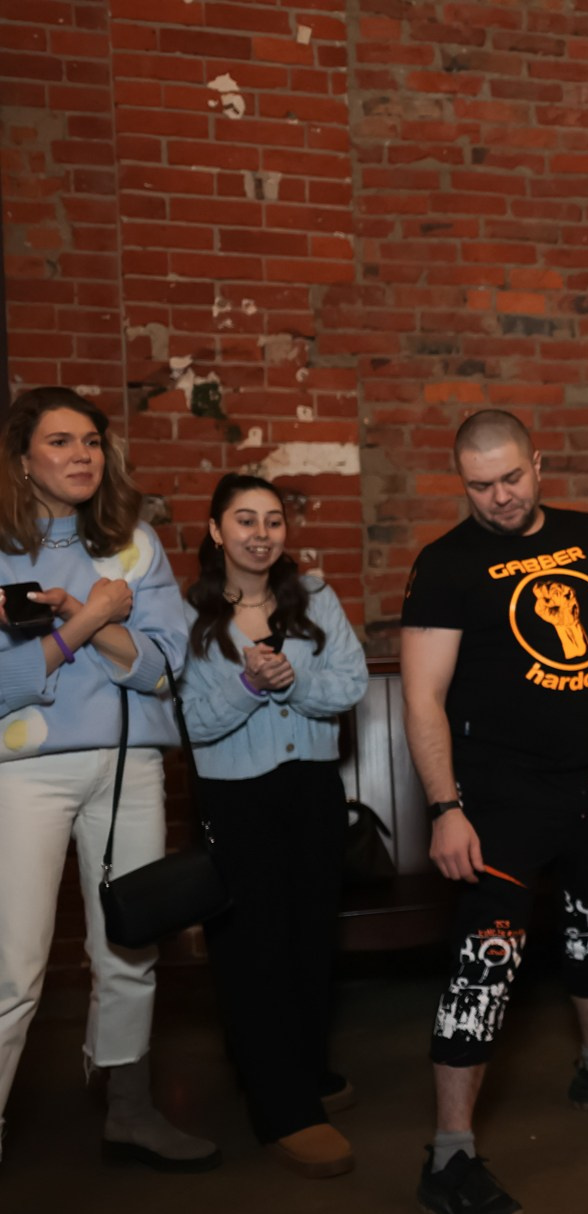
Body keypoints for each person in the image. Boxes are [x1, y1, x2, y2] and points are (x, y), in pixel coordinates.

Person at [399, 409, 588, 1214]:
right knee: (484, 962)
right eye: (479, 485)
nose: (498, 497)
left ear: (539, 460)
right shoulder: (446, 565)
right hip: (497, 798)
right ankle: (449, 1153)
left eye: (511, 478)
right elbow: (422, 696)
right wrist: (447, 807)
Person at [0, 388, 217, 1214]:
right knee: (12, 973)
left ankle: (128, 1107)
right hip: (24, 770)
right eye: (60, 441)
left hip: (128, 766)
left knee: (130, 943)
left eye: (91, 440)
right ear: (22, 458)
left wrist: (98, 623)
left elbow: (171, 663)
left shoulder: (132, 544)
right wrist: (92, 622)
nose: (82, 455)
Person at [180, 474, 368, 1177]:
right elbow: (192, 724)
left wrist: (292, 680)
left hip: (313, 791)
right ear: (215, 529)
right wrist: (250, 684)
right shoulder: (187, 617)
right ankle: (283, 1109)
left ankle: (300, 1069)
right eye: (244, 520)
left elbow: (348, 684)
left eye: (273, 521)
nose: (261, 533)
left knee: (311, 938)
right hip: (237, 799)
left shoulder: (314, 597)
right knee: (255, 949)